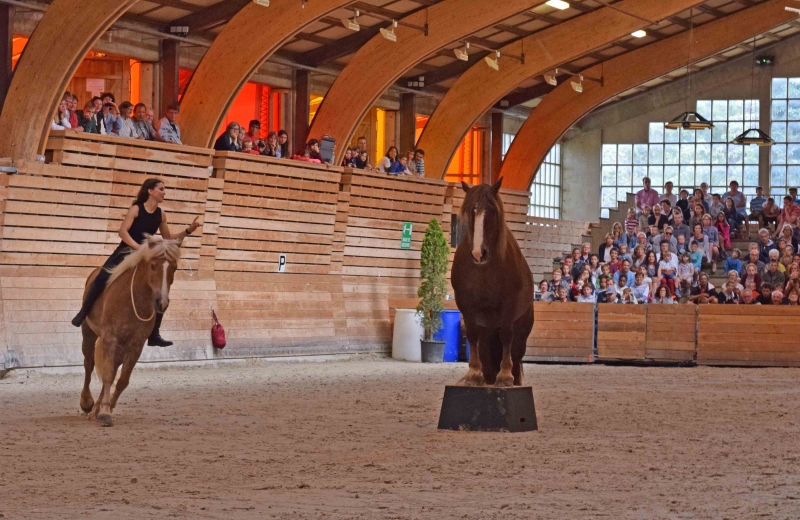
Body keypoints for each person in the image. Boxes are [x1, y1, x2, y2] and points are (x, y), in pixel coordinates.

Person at [70, 178, 200, 347]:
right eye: (161, 189)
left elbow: (168, 238)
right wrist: (138, 247)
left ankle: (154, 333)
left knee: (161, 291)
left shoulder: (161, 214)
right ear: (150, 191)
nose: (164, 192)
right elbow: (122, 232)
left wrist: (188, 230)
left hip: (145, 255)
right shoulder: (136, 209)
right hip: (126, 250)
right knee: (102, 277)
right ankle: (83, 313)